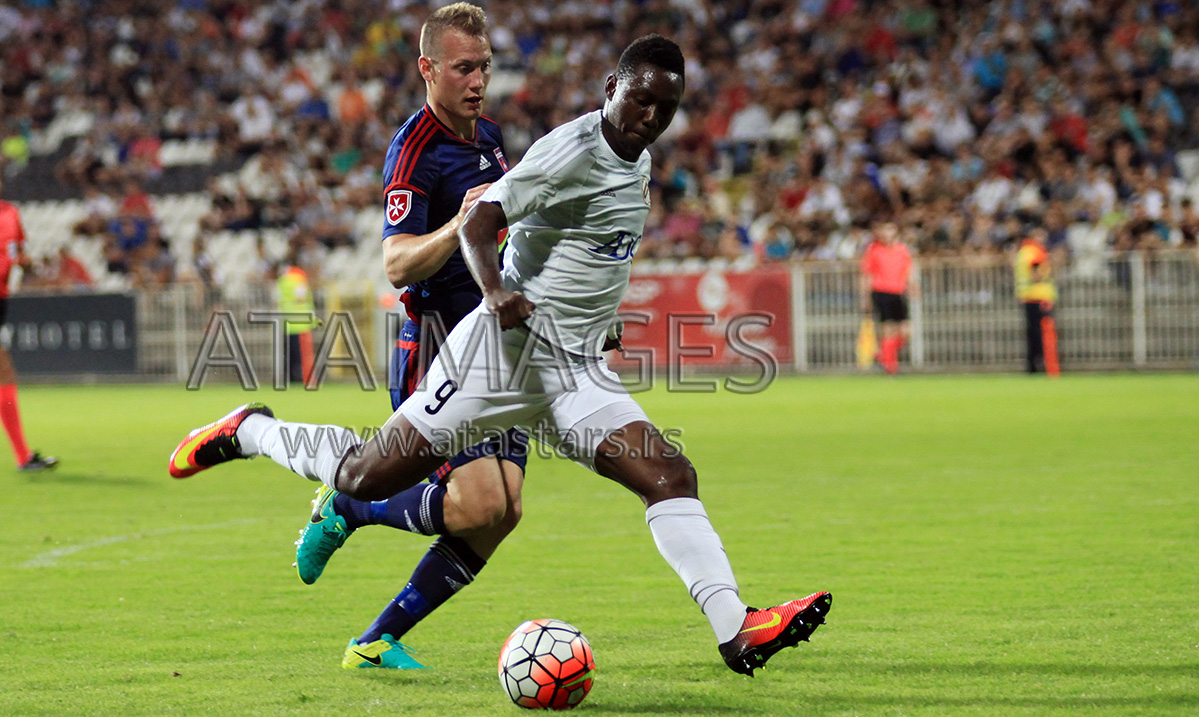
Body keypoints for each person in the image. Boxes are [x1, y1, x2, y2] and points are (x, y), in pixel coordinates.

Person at [169, 34, 830, 677]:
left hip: (573, 370)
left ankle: (736, 629)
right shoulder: (571, 150)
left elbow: (583, 251)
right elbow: (484, 218)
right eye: (640, 99)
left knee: (668, 475)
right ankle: (249, 431)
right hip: (500, 357)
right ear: (611, 88)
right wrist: (495, 293)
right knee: (365, 476)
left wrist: (597, 322)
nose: (651, 117)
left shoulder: (637, 156)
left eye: (666, 107)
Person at [172, 3, 528, 672]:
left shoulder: (490, 137)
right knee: (479, 502)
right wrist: (459, 224)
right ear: (427, 68)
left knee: (502, 512)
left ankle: (376, 641)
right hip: (437, 345)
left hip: (497, 347)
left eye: (484, 66)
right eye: (463, 68)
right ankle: (336, 493)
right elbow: (396, 262)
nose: (478, 80)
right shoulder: (414, 149)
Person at [0, 176, 57, 471]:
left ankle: (23, 455)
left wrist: (26, 263)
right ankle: (22, 455)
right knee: (4, 373)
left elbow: (17, 252)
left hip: (2, 297)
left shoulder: (10, 213)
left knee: (4, 373)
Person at [859, 219, 916, 374]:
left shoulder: (902, 250)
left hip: (899, 291)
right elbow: (866, 274)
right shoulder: (874, 250)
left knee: (905, 331)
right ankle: (890, 365)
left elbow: (908, 270)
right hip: (881, 291)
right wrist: (865, 296)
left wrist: (912, 286)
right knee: (888, 329)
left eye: (890, 229)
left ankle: (884, 353)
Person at [1014, 227, 1059, 376]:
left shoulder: (1023, 252)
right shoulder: (1036, 252)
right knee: (1042, 335)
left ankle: (1032, 366)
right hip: (1039, 296)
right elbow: (1036, 273)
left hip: (1027, 296)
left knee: (1032, 334)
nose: (1043, 239)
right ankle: (1044, 365)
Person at [275, 254, 317, 386]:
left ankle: (290, 379)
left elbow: (278, 299)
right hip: (302, 323)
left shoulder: (283, 280)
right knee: (304, 356)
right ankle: (306, 379)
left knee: (289, 355)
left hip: (287, 322)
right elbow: (302, 298)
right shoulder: (300, 279)